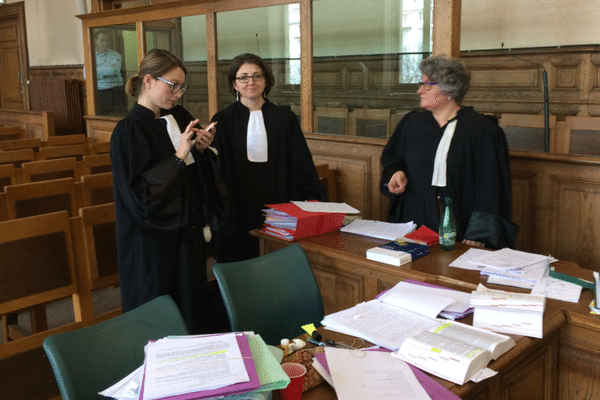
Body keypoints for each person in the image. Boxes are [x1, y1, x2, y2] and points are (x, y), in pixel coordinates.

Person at [110, 48, 228, 334]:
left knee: (191, 312)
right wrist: (177, 157)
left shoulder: (177, 116)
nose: (178, 94)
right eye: (173, 86)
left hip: (185, 236)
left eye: (181, 87)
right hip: (151, 245)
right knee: (159, 321)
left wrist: (200, 150)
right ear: (148, 81)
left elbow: (191, 178)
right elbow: (140, 197)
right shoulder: (128, 131)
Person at [380, 55, 518, 249]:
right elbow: (393, 159)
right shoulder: (411, 123)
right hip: (413, 223)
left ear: (449, 90)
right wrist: (396, 172)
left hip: (461, 228)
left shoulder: (483, 130)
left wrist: (479, 232)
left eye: (428, 85)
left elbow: (492, 186)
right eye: (421, 84)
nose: (420, 90)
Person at [210, 53, 325, 262]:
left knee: (277, 264)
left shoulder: (284, 118)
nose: (250, 82)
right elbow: (217, 172)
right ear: (234, 84)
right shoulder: (223, 120)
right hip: (238, 209)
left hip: (278, 205)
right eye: (243, 77)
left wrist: (310, 203)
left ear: (266, 81)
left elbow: (300, 163)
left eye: (257, 76)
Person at [95, 30, 127, 114]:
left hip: (116, 91)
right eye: (102, 40)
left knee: (119, 116)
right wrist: (105, 71)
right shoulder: (90, 56)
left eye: (107, 41)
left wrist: (96, 71)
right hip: (99, 92)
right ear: (96, 41)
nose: (105, 43)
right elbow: (86, 75)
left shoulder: (115, 55)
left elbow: (113, 70)